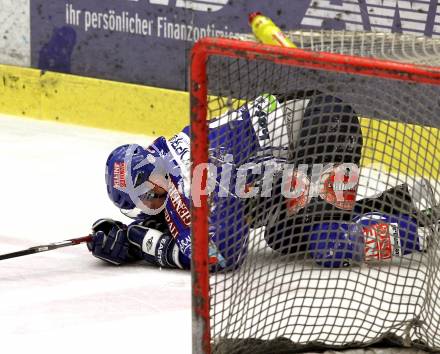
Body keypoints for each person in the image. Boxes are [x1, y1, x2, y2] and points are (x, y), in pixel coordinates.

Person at [87, 91, 428, 269]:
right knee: (287, 236)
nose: (151, 209)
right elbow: (184, 222)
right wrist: (128, 241)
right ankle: (406, 202)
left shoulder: (193, 167)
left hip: (322, 127)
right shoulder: (170, 168)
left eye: (146, 202)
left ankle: (425, 233)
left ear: (149, 183)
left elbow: (223, 254)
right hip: (300, 148)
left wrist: (145, 242)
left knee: (328, 242)